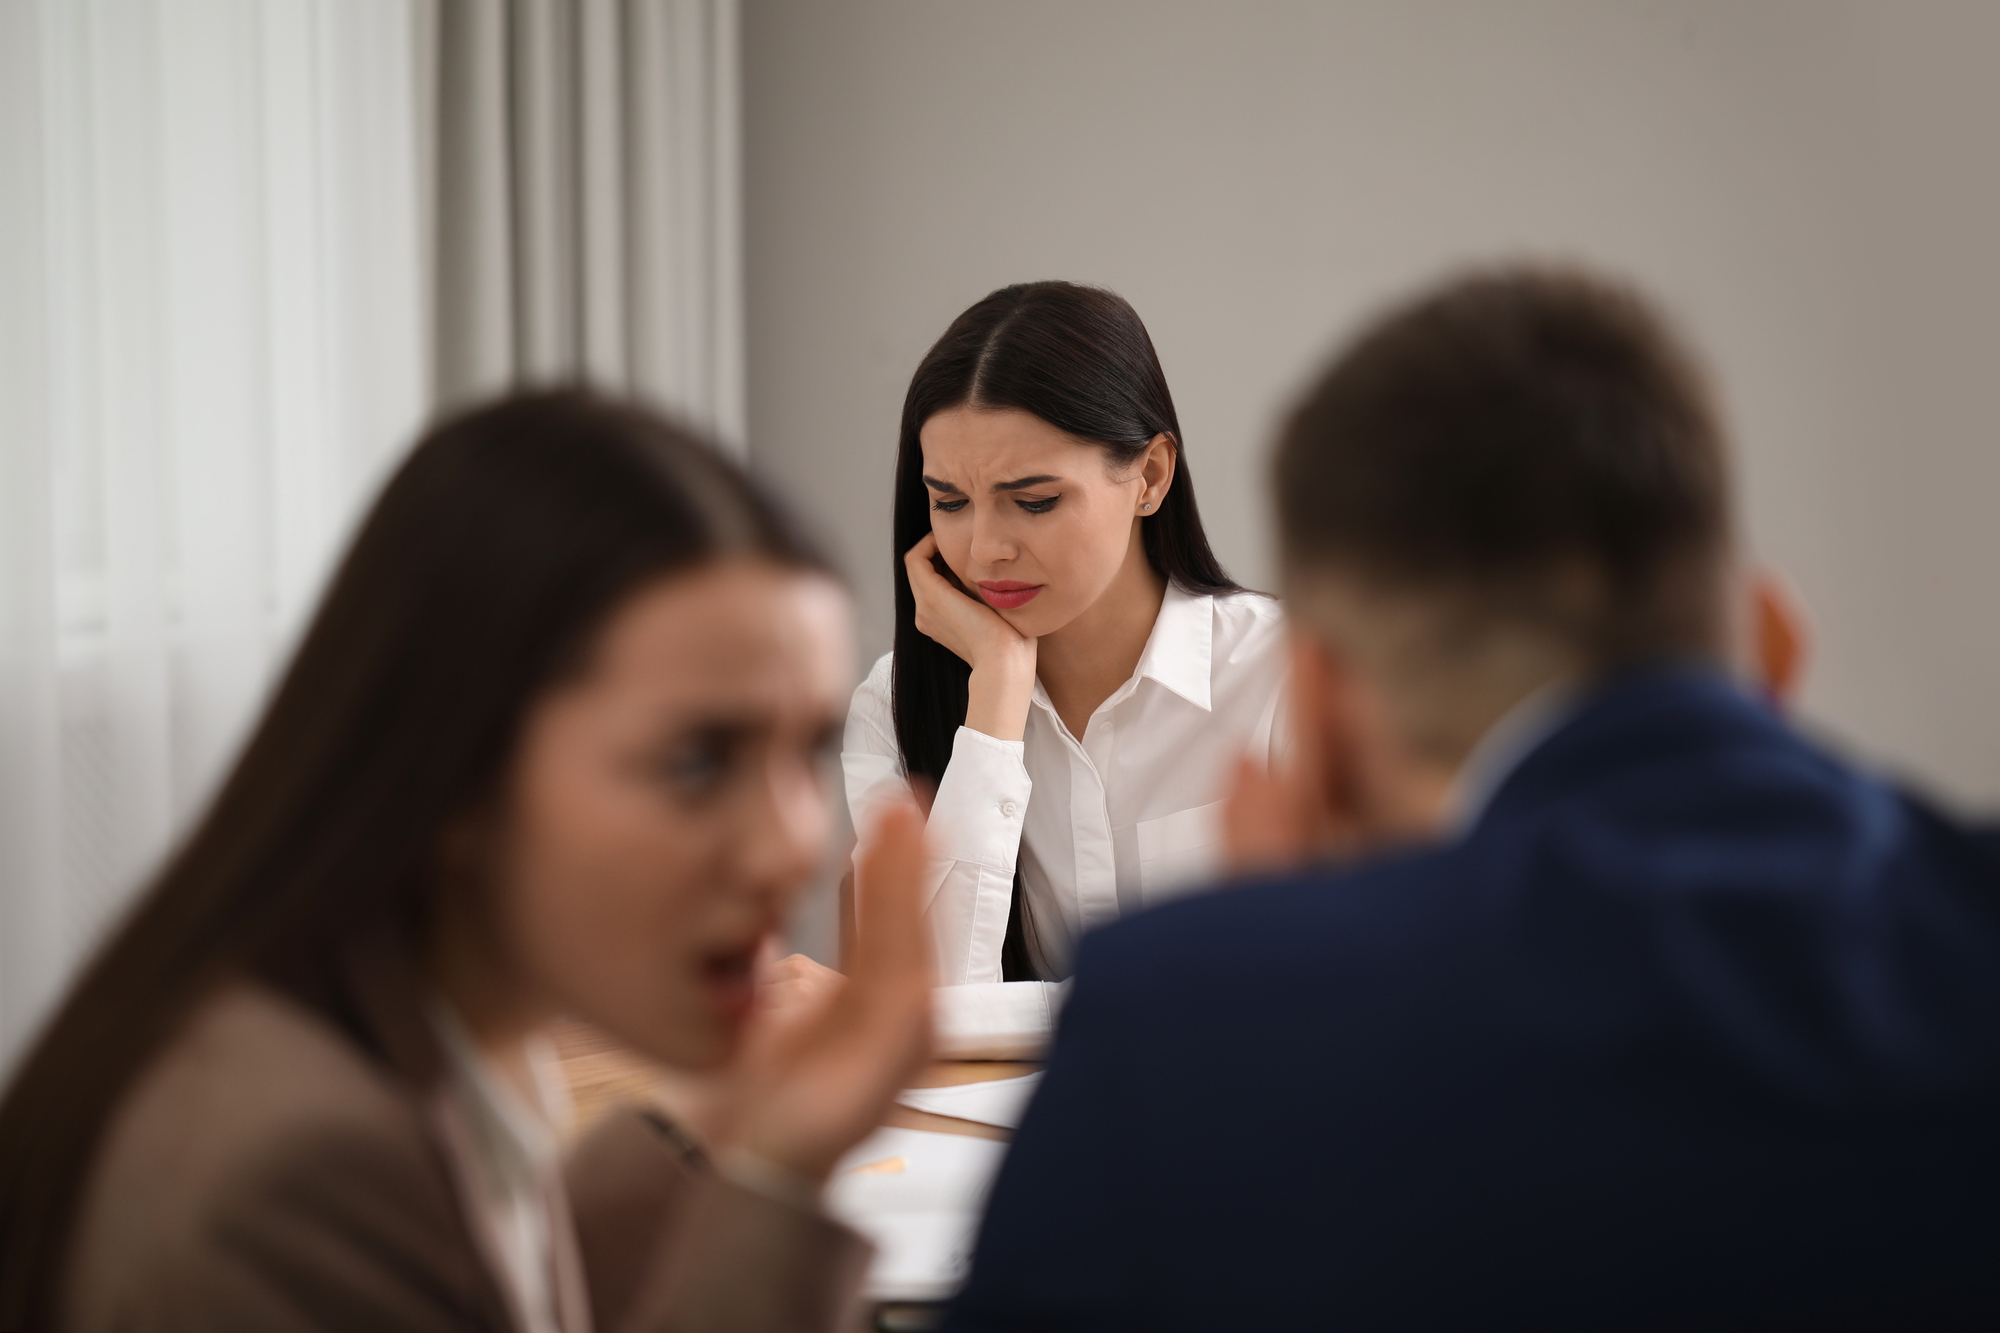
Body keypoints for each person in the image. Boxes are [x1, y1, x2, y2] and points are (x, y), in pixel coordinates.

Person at [944, 268, 2000, 1328]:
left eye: (1027, 497)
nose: (985, 541)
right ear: (1773, 640)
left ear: (1317, 707)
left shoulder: (1190, 1022)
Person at [0, 392, 934, 1332]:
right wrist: (777, 1182)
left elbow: (500, 1268)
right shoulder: (295, 1174)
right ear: (457, 763)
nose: (791, 845)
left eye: (805, 749)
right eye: (698, 761)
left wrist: (737, 1129)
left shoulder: (451, 1031)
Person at [841, 281, 1286, 1057]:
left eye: (1035, 501)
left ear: (1150, 476)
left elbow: (1328, 994)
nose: (984, 550)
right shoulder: (895, 703)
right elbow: (922, 1019)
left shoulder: (1282, 677)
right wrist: (995, 706)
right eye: (948, 501)